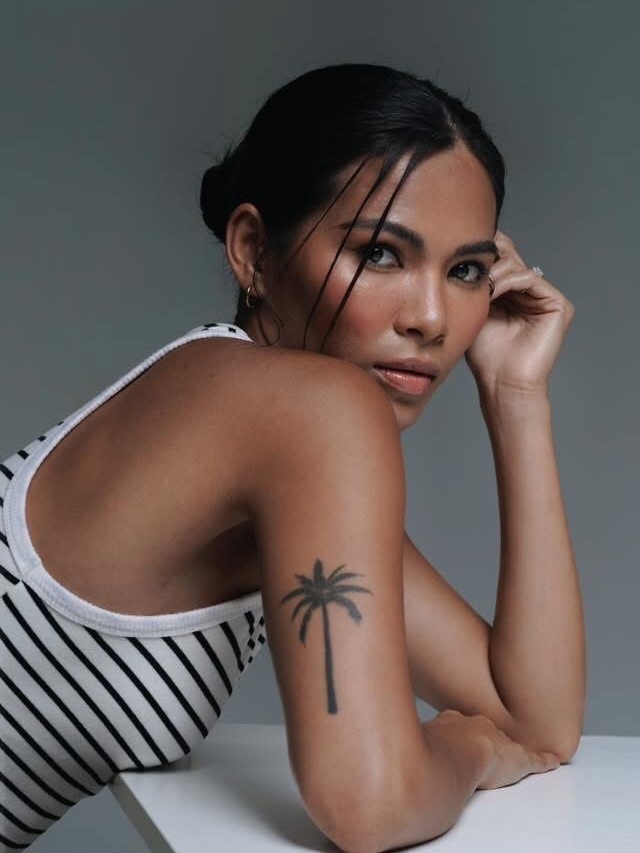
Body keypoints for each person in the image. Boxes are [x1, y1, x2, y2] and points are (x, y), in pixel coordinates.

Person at [0, 63, 585, 852]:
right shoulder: (315, 411)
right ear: (252, 251)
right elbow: (370, 803)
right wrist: (468, 745)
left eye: (466, 271)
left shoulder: (269, 431)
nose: (431, 317)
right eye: (382, 254)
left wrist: (517, 397)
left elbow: (538, 722)